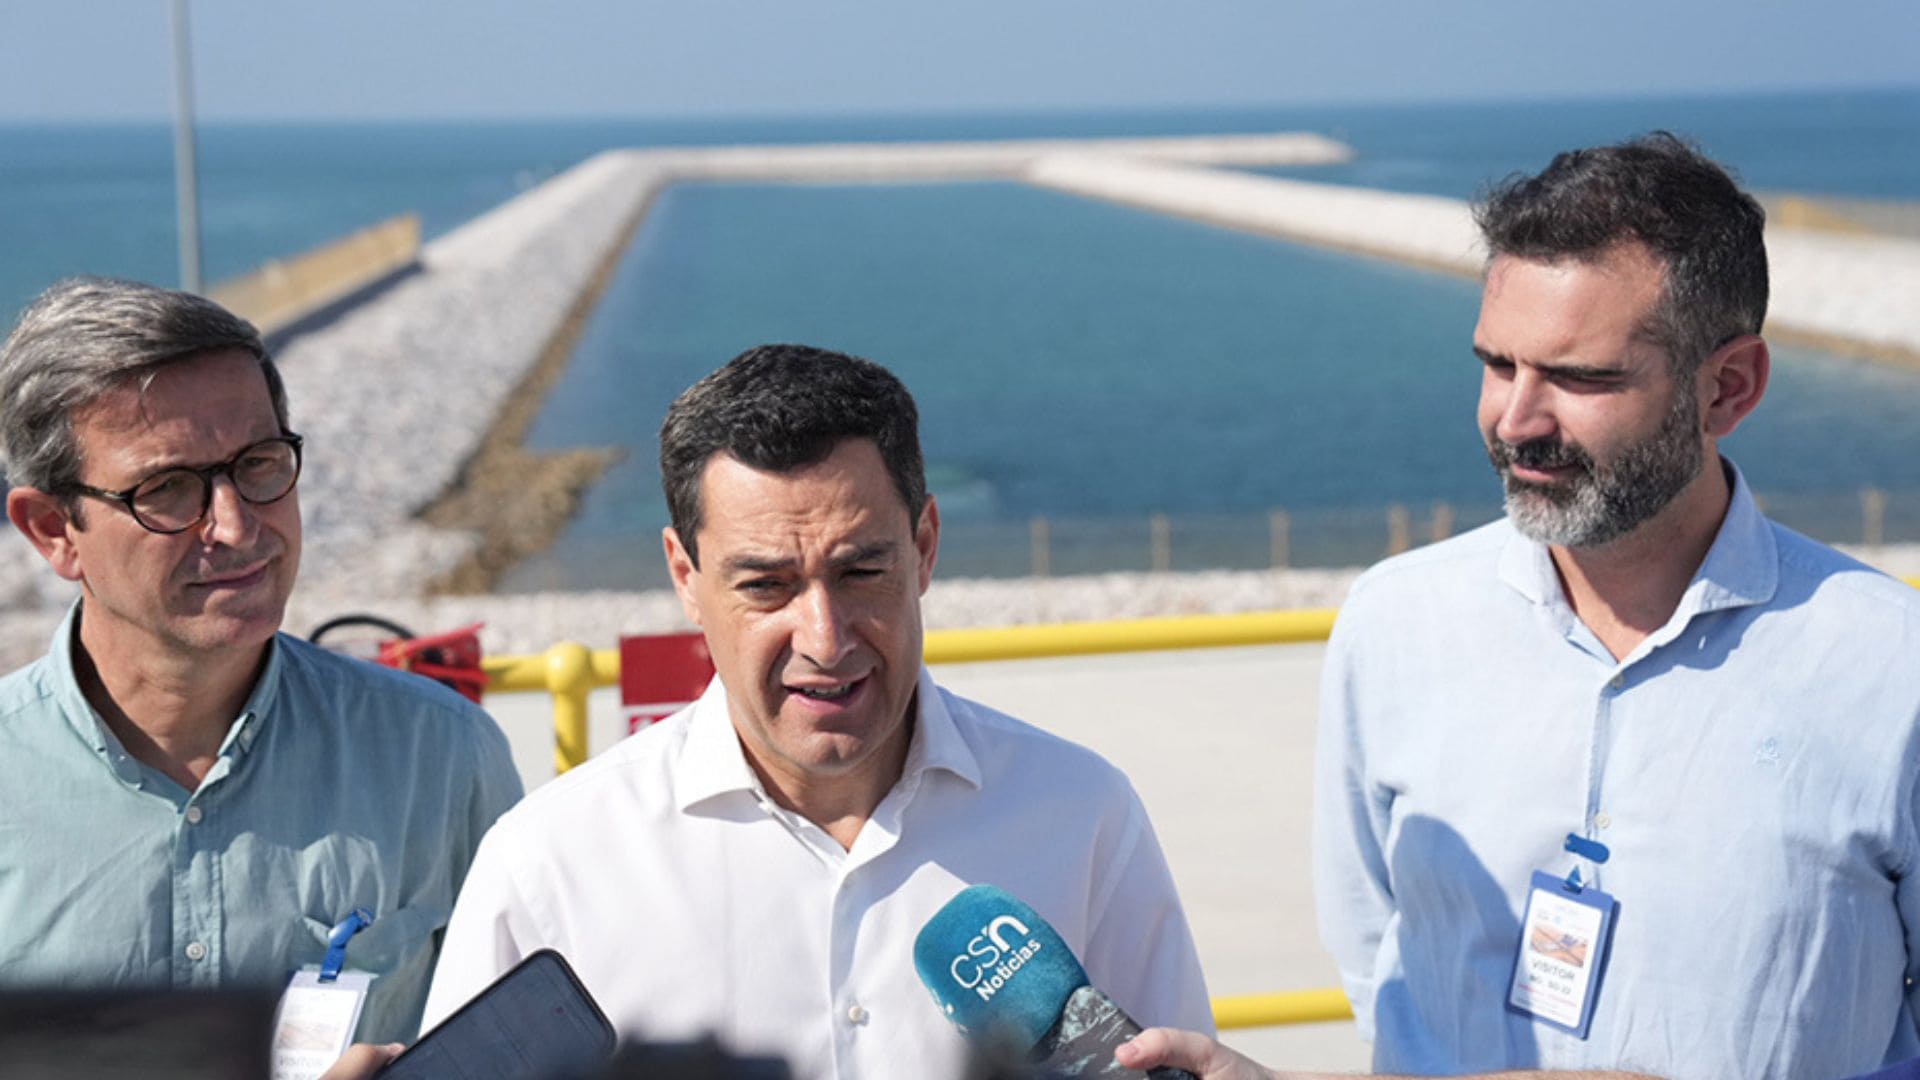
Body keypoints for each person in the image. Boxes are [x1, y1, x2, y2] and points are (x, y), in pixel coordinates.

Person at [1121, 133, 1920, 1080]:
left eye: (1580, 378)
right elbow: (1379, 962)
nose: (1516, 421)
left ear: (1729, 387)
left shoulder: (1890, 668)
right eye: (1499, 365)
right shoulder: (1394, 624)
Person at [421, 344, 1212, 1078]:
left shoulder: (1083, 813)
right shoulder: (548, 863)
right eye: (766, 585)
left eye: (862, 569)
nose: (825, 639)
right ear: (684, 576)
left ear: (926, 545)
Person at [0, 277, 523, 1044]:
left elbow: (519, 1050)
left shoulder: (439, 756)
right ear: (53, 530)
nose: (238, 527)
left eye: (258, 464)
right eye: (168, 490)